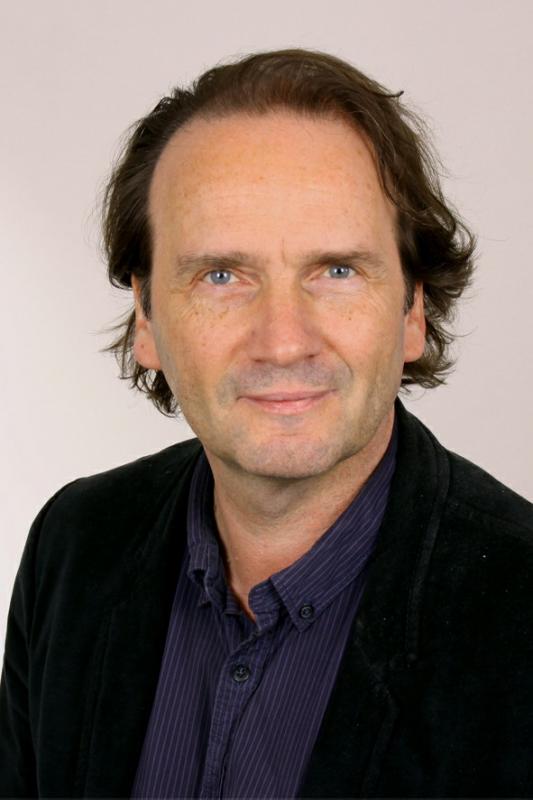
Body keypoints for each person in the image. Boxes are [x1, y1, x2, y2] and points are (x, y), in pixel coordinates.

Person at [1, 47, 532, 800]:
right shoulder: (75, 545)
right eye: (221, 275)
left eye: (336, 270)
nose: (283, 341)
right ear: (146, 318)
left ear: (412, 309)